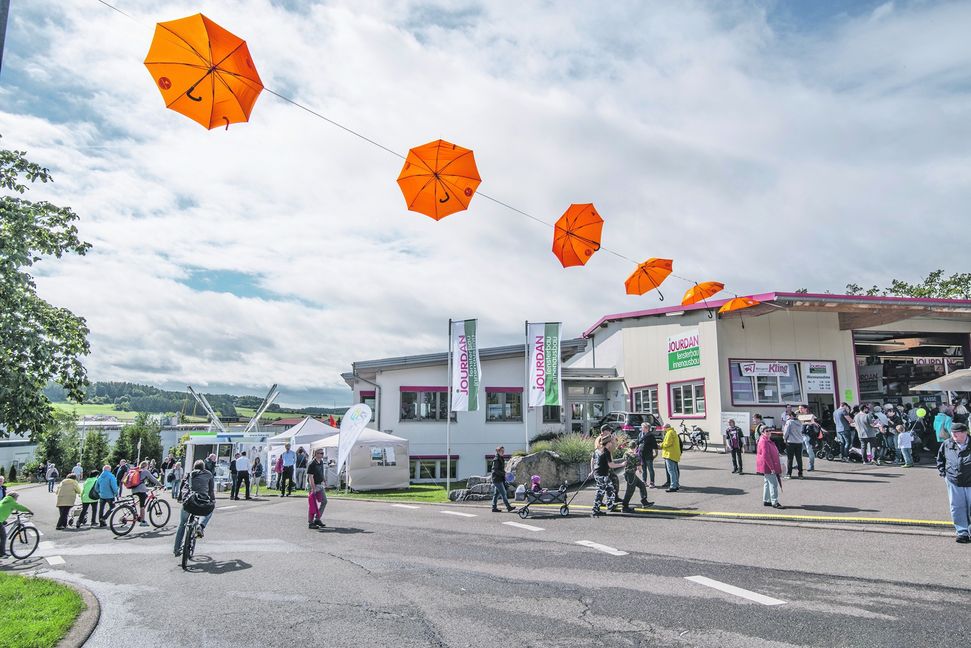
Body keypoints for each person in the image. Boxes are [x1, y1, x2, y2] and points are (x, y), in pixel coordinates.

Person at [936, 423, 971, 543]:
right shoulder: (947, 444)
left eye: (957, 432)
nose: (954, 435)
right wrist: (943, 474)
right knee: (957, 507)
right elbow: (940, 459)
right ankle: (962, 532)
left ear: (965, 432)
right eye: (952, 432)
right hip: (954, 481)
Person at [174, 460, 215, 556]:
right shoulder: (208, 474)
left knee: (182, 524)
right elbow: (211, 491)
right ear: (203, 467)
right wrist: (212, 500)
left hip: (189, 502)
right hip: (201, 503)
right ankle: (201, 526)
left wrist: (180, 498)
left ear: (194, 467)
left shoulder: (188, 475)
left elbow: (182, 488)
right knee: (210, 510)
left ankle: (176, 549)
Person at [591, 436, 625, 516]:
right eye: (611, 442)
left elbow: (592, 460)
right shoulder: (606, 452)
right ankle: (595, 510)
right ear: (608, 443)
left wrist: (592, 470)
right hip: (602, 475)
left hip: (598, 474)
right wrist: (622, 464)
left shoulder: (597, 450)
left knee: (610, 488)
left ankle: (610, 505)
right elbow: (611, 465)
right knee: (600, 492)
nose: (612, 443)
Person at [619, 441, 653, 513]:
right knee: (630, 491)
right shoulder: (635, 455)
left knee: (642, 485)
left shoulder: (626, 454)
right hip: (631, 475)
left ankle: (644, 501)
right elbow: (639, 466)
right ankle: (624, 506)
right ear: (636, 447)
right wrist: (640, 470)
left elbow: (625, 461)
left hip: (628, 473)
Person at [126, 460, 161, 527]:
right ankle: (143, 521)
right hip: (141, 490)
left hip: (133, 489)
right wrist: (160, 484)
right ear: (145, 466)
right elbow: (153, 479)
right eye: (147, 465)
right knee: (142, 506)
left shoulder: (137, 471)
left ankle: (137, 515)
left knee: (142, 499)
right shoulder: (145, 471)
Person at [756, 427, 783, 509]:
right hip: (768, 466)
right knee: (773, 484)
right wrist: (771, 467)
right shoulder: (764, 441)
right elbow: (766, 456)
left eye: (770, 430)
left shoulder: (766, 439)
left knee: (767, 483)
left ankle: (767, 500)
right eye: (767, 431)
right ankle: (775, 502)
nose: (769, 432)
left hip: (766, 465)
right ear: (762, 432)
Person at [0, 492, 32, 558]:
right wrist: (29, 511)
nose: (17, 499)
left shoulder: (4, 500)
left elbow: (4, 509)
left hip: (1, 518)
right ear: (14, 497)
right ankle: (2, 554)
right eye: (17, 498)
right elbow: (20, 507)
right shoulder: (12, 502)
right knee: (3, 537)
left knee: (4, 525)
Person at [490, 445, 516, 513]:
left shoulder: (500, 458)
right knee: (503, 493)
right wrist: (504, 474)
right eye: (501, 451)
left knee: (496, 494)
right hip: (496, 479)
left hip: (499, 478)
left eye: (503, 451)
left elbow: (500, 469)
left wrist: (505, 473)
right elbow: (495, 470)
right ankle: (508, 507)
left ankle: (494, 508)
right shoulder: (496, 459)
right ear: (498, 451)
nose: (503, 452)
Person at [306, 448, 328, 528]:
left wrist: (324, 480)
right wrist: (313, 488)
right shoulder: (312, 464)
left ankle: (317, 519)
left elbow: (321, 472)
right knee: (312, 503)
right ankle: (310, 522)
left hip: (320, 485)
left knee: (324, 501)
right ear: (316, 454)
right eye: (321, 453)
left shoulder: (321, 462)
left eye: (322, 453)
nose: (322, 454)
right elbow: (310, 477)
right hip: (314, 485)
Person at [660, 425, 681, 493]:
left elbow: (667, 443)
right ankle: (676, 485)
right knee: (674, 470)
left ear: (666, 428)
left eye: (663, 428)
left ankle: (673, 486)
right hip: (674, 454)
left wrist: (661, 445)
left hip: (669, 454)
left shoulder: (669, 433)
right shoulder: (674, 432)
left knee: (671, 471)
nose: (663, 429)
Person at [782, 413, 804, 479]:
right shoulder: (800, 422)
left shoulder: (789, 422)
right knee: (799, 458)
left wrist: (784, 438)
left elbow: (786, 432)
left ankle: (789, 474)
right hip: (799, 442)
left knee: (790, 458)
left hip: (791, 442)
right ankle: (800, 474)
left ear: (791, 416)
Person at [636, 422, 658, 488]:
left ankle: (652, 482)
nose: (641, 428)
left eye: (642, 427)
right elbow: (637, 443)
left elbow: (655, 445)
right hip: (641, 454)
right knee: (644, 469)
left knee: (650, 469)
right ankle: (644, 481)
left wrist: (656, 453)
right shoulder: (640, 434)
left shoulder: (651, 436)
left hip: (648, 454)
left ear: (647, 428)